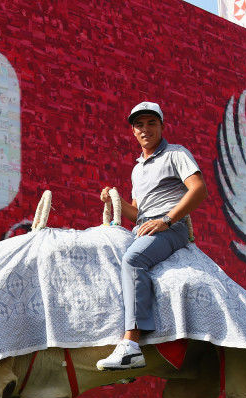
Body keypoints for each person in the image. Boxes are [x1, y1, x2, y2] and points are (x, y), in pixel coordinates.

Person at [96, 101, 209, 370]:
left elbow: (199, 190)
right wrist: (116, 201)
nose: (145, 129)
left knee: (134, 259)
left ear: (162, 126)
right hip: (145, 227)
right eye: (139, 125)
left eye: (151, 123)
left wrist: (167, 220)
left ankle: (131, 346)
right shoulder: (137, 168)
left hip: (172, 228)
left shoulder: (176, 153)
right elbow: (137, 214)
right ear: (133, 132)